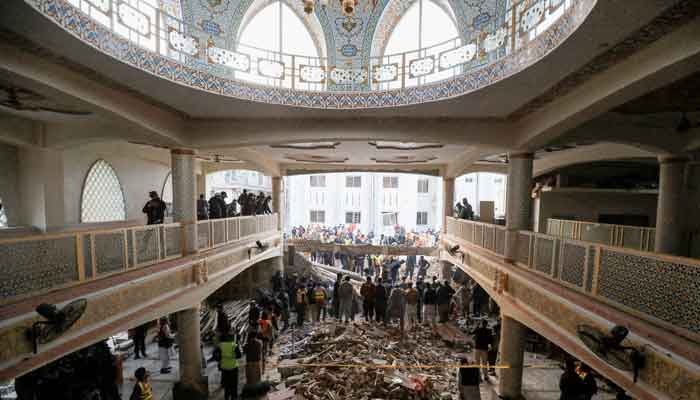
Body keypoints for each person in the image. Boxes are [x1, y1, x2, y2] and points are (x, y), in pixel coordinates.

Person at [213, 329, 243, 400]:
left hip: (224, 367)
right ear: (231, 338)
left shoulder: (220, 345)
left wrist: (220, 359)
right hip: (233, 367)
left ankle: (226, 397)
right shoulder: (234, 345)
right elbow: (239, 356)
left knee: (226, 384)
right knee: (234, 384)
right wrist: (232, 356)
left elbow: (215, 355)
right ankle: (234, 397)